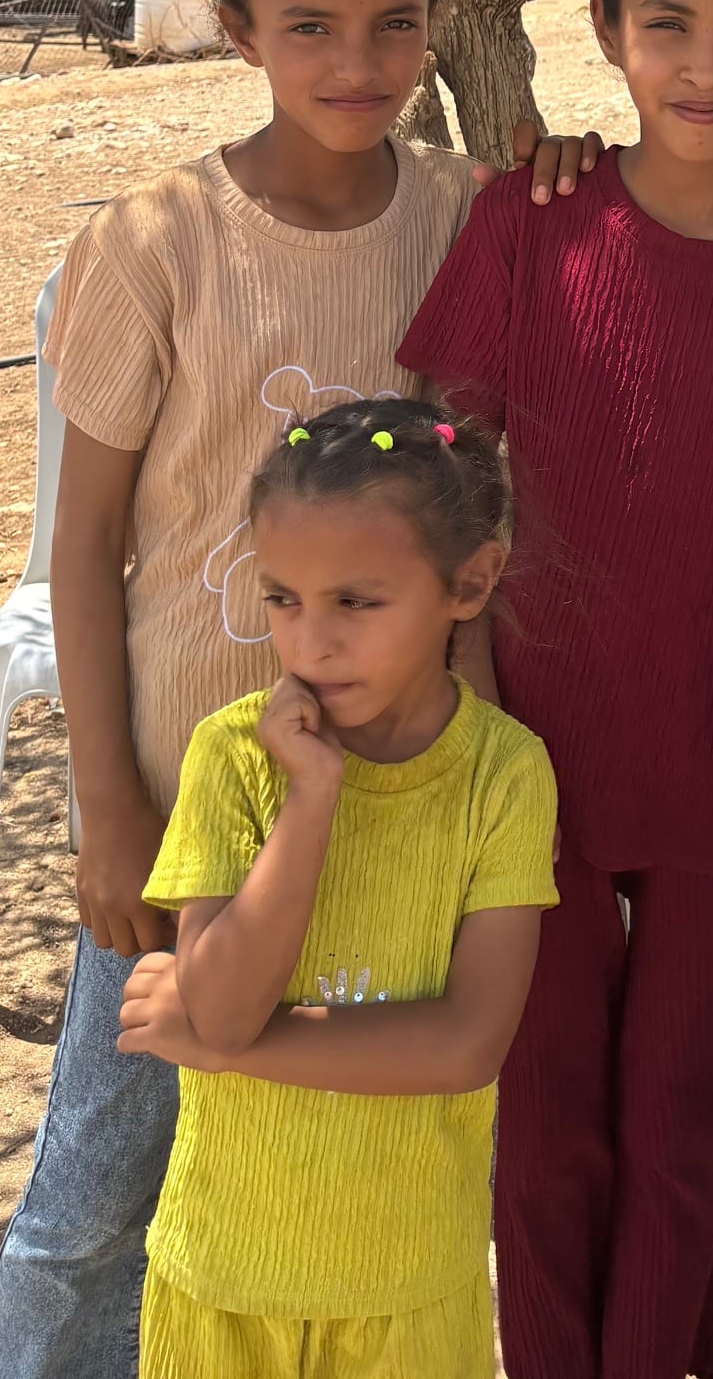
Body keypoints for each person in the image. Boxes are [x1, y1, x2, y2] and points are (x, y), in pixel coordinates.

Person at [0, 0, 592, 1379]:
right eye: (309, 26)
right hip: (196, 806)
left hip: (398, 808)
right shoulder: (156, 240)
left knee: (328, 1169)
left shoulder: (464, 217)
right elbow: (89, 537)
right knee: (100, 1191)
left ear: (437, 29)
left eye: (395, 25)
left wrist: (575, 173)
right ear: (237, 28)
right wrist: (107, 802)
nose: (357, 64)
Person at [399, 0, 713, 1379]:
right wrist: (463, 716)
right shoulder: (534, 223)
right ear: (604, 29)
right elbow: (448, 464)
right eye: (667, 23)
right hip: (531, 766)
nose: (704, 65)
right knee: (544, 1142)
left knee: (690, 1134)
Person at [112, 395, 555, 1374]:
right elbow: (221, 1007)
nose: (311, 644)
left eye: (356, 602)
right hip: (224, 1282)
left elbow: (465, 1045)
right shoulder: (234, 757)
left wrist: (226, 1043)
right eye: (283, 599)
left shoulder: (505, 776)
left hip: (407, 1297)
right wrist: (310, 803)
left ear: (471, 583)